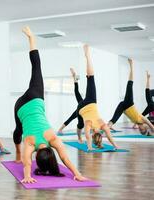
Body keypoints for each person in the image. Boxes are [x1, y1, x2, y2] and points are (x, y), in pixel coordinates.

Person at [13, 26, 87, 183]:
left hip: (35, 98)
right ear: (37, 159)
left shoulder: (53, 138)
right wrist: (27, 176)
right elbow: (27, 163)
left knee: (36, 68)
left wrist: (77, 173)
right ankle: (17, 153)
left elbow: (65, 158)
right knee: (18, 130)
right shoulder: (30, 143)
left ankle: (31, 38)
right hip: (19, 107)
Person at [76, 45, 118, 151]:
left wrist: (115, 145)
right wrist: (89, 147)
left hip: (90, 102)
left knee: (91, 78)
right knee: (79, 124)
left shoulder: (102, 125)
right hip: (80, 108)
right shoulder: (90, 125)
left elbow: (109, 136)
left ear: (99, 135)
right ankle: (78, 137)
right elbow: (88, 136)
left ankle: (88, 56)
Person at [108, 60, 154, 136]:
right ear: (145, 127)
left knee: (113, 120)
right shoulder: (143, 120)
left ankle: (106, 128)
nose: (140, 128)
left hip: (123, 107)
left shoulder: (136, 122)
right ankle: (132, 65)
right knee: (129, 85)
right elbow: (151, 126)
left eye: (140, 130)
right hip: (129, 104)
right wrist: (151, 132)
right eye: (142, 129)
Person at [58, 68, 84, 142]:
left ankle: (60, 129)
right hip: (81, 110)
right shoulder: (83, 103)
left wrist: (74, 77)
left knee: (71, 118)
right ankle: (79, 137)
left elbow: (76, 90)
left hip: (80, 109)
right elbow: (76, 90)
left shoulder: (82, 102)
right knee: (79, 123)